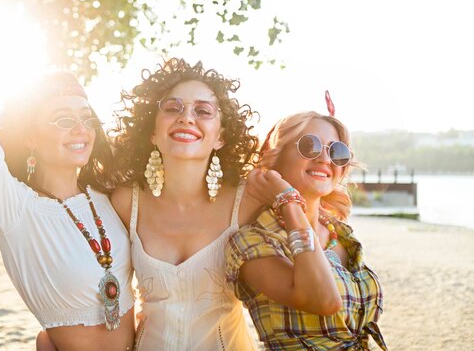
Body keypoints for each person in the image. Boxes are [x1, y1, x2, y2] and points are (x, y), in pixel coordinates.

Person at [0, 72, 135, 350]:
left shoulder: (107, 195)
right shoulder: (15, 206)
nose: (81, 129)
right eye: (64, 119)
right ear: (30, 138)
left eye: (87, 118)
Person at [110, 58, 262, 350]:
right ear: (152, 131)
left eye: (203, 111)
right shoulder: (126, 202)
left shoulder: (247, 202)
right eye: (172, 108)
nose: (187, 117)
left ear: (221, 137)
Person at [226, 110, 387, 350]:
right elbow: (323, 300)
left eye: (336, 151)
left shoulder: (340, 232)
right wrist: (288, 202)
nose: (325, 159)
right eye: (310, 146)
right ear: (277, 157)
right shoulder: (253, 241)